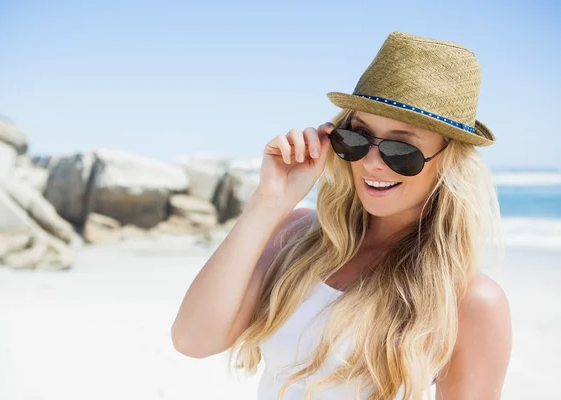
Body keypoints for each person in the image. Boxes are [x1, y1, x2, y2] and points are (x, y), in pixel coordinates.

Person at [171, 31, 512, 399]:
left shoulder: (469, 300)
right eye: (357, 138)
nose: (370, 162)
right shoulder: (296, 236)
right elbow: (193, 339)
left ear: (448, 164)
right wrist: (269, 201)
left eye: (401, 150)